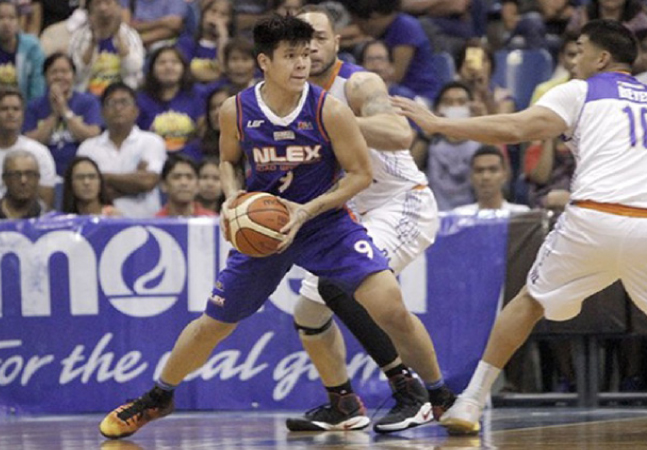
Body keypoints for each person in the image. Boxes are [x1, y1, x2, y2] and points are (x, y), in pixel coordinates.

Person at [99, 14, 453, 440]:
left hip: (325, 223)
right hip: (268, 227)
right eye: (291, 56)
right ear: (265, 61)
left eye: (306, 54)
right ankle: (158, 397)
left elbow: (359, 175)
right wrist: (233, 198)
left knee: (390, 306)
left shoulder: (330, 109)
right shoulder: (236, 109)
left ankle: (438, 396)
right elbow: (228, 160)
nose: (302, 64)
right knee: (214, 323)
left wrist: (307, 211)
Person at [392, 19, 647, 435]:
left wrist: (441, 125)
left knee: (528, 302)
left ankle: (470, 401)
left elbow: (518, 128)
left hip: (594, 219)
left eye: (580, 51)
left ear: (603, 58)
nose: (575, 60)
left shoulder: (583, 90)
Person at [284, 5, 444, 434]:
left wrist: (328, 121)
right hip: (347, 212)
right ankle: (343, 404)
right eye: (301, 39)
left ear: (337, 41)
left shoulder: (358, 82)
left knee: (341, 286)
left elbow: (398, 134)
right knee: (309, 314)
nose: (311, 47)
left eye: (319, 37)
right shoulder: (281, 95)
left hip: (399, 202)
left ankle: (418, 393)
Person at [76, 82, 166, 218]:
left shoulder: (151, 141)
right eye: (111, 103)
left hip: (146, 224)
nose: (118, 108)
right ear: (102, 112)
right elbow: (82, 191)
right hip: (100, 226)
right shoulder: (88, 148)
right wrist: (134, 184)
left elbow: (147, 182)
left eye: (124, 102)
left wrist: (103, 177)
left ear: (136, 111)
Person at [23, 52, 102, 178]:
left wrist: (64, 110)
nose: (59, 76)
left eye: (65, 71)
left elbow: (92, 137)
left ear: (73, 75)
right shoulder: (34, 106)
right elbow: (30, 144)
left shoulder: (89, 102)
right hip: (42, 173)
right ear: (45, 76)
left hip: (80, 174)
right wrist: (54, 114)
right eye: (54, 72)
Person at [341, 0, 440, 101]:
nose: (361, 29)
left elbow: (396, 76)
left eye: (360, 24)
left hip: (418, 95)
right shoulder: (383, 29)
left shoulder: (406, 28)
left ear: (374, 18)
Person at [411, 81, 485, 211]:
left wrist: (484, 123)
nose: (455, 107)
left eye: (461, 102)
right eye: (448, 102)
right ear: (438, 108)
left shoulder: (481, 143)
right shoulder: (430, 144)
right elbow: (409, 169)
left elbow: (503, 177)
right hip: (437, 215)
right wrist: (428, 132)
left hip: (474, 215)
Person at [136, 45, 204, 161]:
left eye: (175, 62)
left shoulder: (198, 94)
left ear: (183, 68)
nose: (168, 67)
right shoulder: (140, 99)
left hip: (192, 161)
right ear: (151, 69)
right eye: (162, 63)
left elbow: (202, 132)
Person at [68, 0, 144, 96]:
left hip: (123, 93)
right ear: (90, 10)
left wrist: (118, 37)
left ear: (118, 7)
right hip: (89, 95)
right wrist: (92, 42)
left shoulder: (130, 35)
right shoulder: (78, 37)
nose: (103, 8)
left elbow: (134, 69)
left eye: (108, 3)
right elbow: (77, 74)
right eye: (97, 4)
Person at [0, 88, 55, 207]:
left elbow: (45, 203)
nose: (10, 113)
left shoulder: (39, 152)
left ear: (23, 114)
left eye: (16, 109)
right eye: (4, 109)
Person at [452, 145, 530, 216]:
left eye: (493, 170)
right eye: (479, 170)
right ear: (471, 176)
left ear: (505, 175)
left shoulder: (521, 214)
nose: (486, 177)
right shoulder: (460, 215)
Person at [175, 0, 233, 85]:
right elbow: (183, 72)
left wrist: (223, 38)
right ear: (203, 14)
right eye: (213, 11)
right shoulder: (186, 42)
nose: (216, 17)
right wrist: (217, 74)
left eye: (223, 15)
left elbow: (229, 73)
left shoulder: (233, 47)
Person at [0, 0, 44, 102]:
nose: (6, 23)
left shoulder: (33, 47)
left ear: (19, 21)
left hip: (24, 110)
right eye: (0, 18)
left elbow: (38, 89)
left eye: (11, 18)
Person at [0, 149, 45, 218]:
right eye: (16, 175)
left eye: (29, 174)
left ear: (38, 178)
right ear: (4, 179)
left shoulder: (47, 218)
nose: (23, 181)